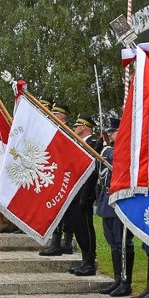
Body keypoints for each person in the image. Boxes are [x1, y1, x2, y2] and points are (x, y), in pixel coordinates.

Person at [96, 116, 134, 297]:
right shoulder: (109, 150)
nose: (110, 133)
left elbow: (117, 159)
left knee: (123, 243)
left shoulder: (124, 148)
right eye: (109, 131)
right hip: (107, 200)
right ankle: (118, 278)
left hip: (121, 200)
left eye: (114, 130)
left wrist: (105, 151)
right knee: (113, 244)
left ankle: (126, 281)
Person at [66, 114, 100, 276]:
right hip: (75, 192)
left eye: (77, 126)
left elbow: (92, 172)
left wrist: (85, 195)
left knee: (86, 227)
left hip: (85, 193)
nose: (74, 128)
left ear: (85, 127)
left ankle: (90, 262)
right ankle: (84, 259)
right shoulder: (79, 144)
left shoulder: (94, 144)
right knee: (78, 227)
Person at [40, 103, 74, 255]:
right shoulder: (56, 130)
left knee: (62, 211)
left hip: (62, 176)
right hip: (56, 175)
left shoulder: (64, 131)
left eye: (54, 113)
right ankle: (61, 243)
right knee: (60, 211)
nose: (51, 114)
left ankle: (62, 243)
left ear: (60, 116)